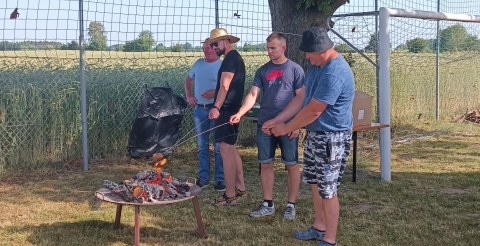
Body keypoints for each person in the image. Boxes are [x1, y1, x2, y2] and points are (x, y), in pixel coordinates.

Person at [264, 27, 355, 246]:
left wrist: (286, 128)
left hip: (332, 138)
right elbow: (302, 99)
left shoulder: (334, 72)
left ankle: (329, 240)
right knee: (315, 183)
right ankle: (319, 227)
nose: (306, 57)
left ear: (323, 50)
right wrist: (280, 120)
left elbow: (314, 110)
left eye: (309, 53)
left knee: (328, 189)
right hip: (316, 134)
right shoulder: (317, 66)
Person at [229, 32, 304, 219]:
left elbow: (301, 99)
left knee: (292, 165)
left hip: (288, 125)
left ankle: (291, 205)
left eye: (273, 48)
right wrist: (240, 113)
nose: (269, 52)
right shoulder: (263, 71)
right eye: (267, 48)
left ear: (283, 48)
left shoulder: (296, 70)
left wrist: (297, 125)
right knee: (265, 164)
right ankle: (267, 203)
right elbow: (253, 95)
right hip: (265, 125)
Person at [205, 28, 247, 206]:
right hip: (231, 109)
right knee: (231, 150)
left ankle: (229, 195)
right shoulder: (234, 58)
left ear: (225, 41)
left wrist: (216, 107)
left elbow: (225, 86)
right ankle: (241, 189)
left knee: (226, 153)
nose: (214, 48)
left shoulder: (230, 59)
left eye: (215, 44)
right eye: (211, 44)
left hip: (226, 111)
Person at [184, 38, 225, 191]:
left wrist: (215, 92)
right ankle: (204, 178)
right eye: (204, 48)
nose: (207, 50)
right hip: (200, 110)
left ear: (216, 48)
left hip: (216, 110)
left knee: (218, 146)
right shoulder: (198, 64)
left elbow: (228, 86)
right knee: (202, 146)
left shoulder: (222, 65)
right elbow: (188, 80)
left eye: (210, 47)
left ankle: (220, 179)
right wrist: (189, 96)